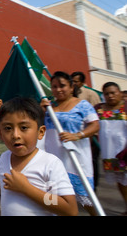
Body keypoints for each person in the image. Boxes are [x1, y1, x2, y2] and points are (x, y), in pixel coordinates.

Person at [0, 97, 78, 216]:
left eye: (24, 127)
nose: (15, 135)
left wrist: (26, 189)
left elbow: (69, 209)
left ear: (40, 132)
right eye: (8, 128)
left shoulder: (50, 163)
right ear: (1, 135)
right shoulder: (4, 158)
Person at [41, 71, 100, 215]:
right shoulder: (49, 107)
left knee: (86, 199)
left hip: (75, 161)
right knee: (53, 200)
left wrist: (77, 135)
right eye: (54, 86)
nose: (58, 89)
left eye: (62, 86)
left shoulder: (82, 105)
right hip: (53, 160)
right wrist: (41, 111)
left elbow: (95, 125)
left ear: (71, 87)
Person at [94, 82, 127, 214]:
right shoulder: (99, 109)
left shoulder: (126, 107)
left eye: (113, 93)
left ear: (120, 93)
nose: (110, 96)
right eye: (107, 94)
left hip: (125, 153)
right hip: (111, 154)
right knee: (121, 182)